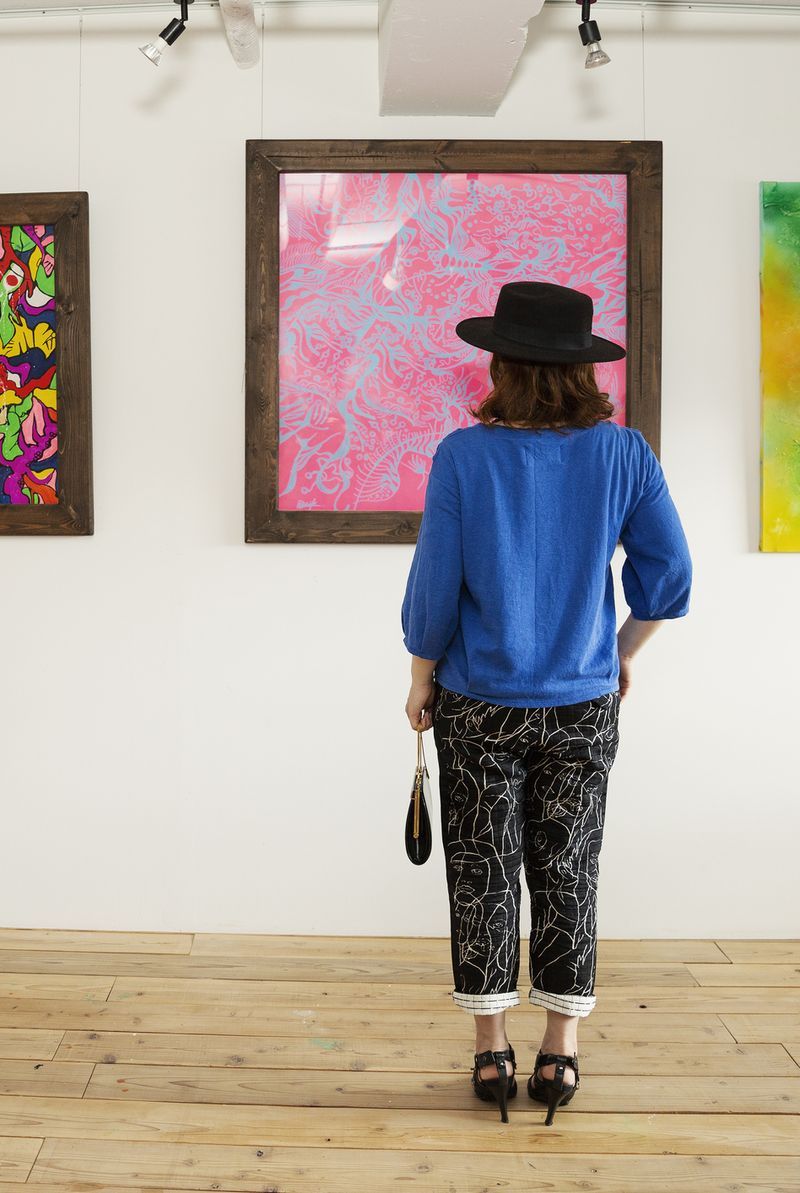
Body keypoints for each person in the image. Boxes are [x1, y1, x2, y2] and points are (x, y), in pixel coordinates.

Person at [400, 280, 692, 1126]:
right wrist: (621, 652)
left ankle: (490, 1044)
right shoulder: (624, 453)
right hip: (582, 700)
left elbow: (434, 590)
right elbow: (668, 578)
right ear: (580, 368)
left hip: (477, 698)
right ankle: (560, 1051)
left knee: (483, 870)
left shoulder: (463, 454)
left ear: (501, 362)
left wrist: (420, 676)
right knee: (570, 867)